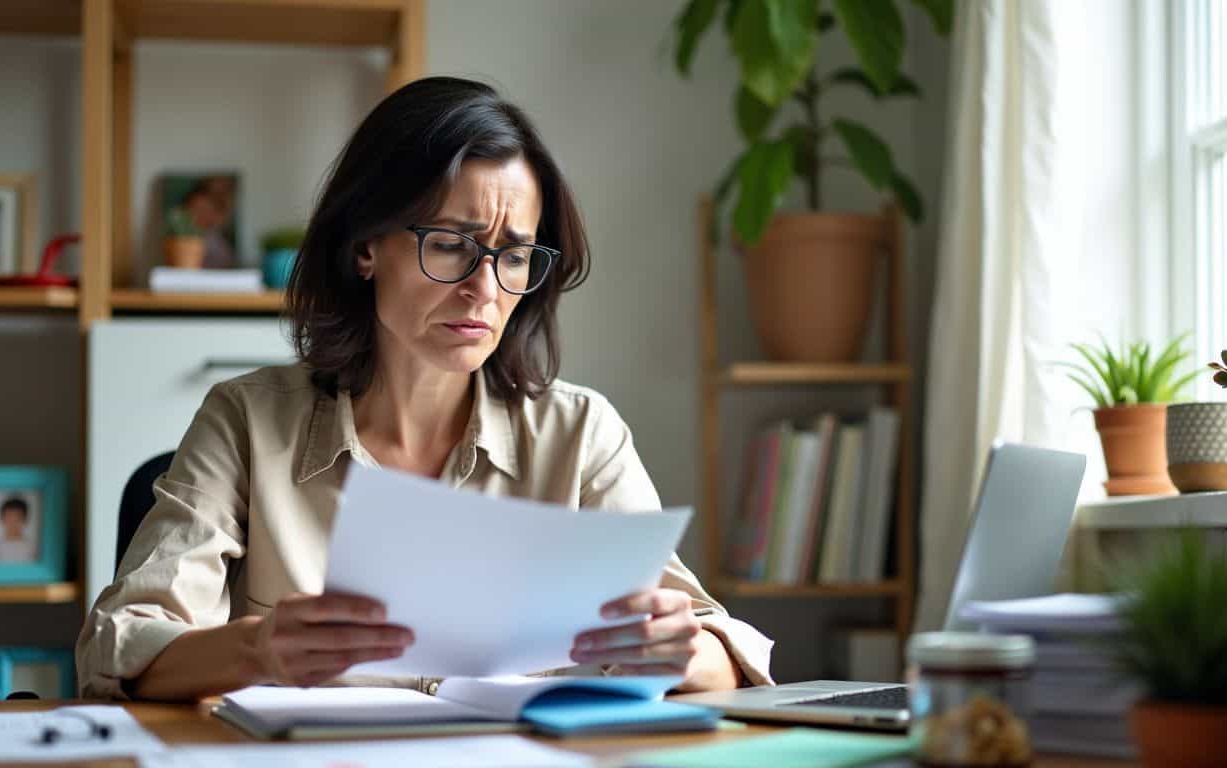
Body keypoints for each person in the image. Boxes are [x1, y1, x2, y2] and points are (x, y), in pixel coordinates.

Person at [77, 76, 775, 701]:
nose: (483, 288)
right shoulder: (245, 420)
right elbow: (120, 648)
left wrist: (684, 652)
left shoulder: (582, 435)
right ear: (364, 247)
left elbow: (716, 653)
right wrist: (259, 650)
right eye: (450, 243)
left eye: (515, 255)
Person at [0, 496, 35, 562]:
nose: (13, 521)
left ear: (25, 519)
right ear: (2, 519)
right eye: (9, 516)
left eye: (18, 517)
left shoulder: (31, 548)